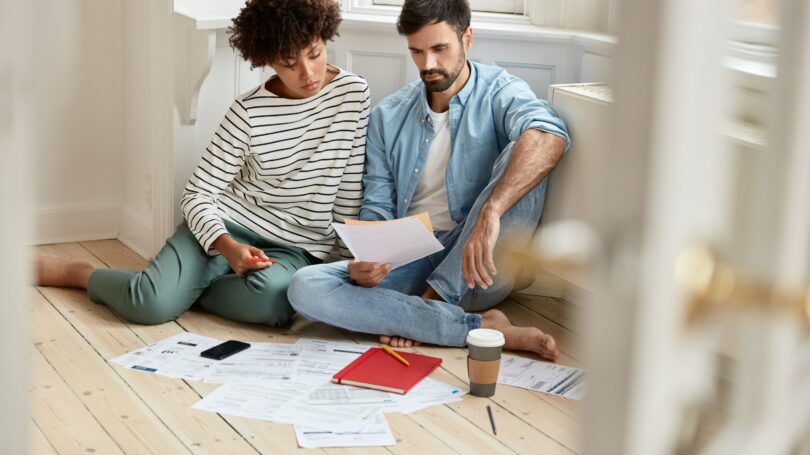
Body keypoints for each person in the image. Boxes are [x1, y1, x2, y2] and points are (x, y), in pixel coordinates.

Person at [34, 0, 370, 327]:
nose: (308, 72)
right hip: (228, 226)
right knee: (148, 305)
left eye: (315, 54)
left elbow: (349, 190)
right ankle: (81, 274)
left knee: (275, 304)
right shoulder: (248, 111)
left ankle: (178, 289)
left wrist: (345, 265)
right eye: (289, 62)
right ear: (268, 60)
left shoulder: (353, 94)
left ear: (325, 37)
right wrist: (228, 246)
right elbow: (197, 195)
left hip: (297, 246)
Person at [287, 0, 570, 360]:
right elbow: (377, 204)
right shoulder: (387, 116)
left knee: (525, 151)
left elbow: (549, 136)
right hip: (411, 259)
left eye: (440, 49)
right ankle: (477, 327)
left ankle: (426, 309)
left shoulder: (501, 91)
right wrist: (369, 258)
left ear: (467, 38)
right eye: (417, 52)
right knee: (305, 286)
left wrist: (490, 214)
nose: (428, 64)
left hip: (476, 260)